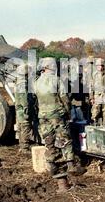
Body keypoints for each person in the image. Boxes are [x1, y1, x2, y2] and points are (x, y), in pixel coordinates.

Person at [34, 57, 86, 192]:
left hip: (43, 116)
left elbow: (35, 100)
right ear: (51, 67)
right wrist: (68, 114)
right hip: (56, 115)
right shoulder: (56, 80)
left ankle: (52, 166)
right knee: (65, 140)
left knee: (49, 142)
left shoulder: (36, 82)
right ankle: (71, 165)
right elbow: (65, 98)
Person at [14, 61, 36, 153]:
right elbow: (24, 101)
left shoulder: (18, 83)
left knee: (21, 128)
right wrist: (27, 112)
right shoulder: (23, 84)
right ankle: (24, 148)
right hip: (23, 110)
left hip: (19, 110)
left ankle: (22, 146)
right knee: (25, 127)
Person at [90, 58, 105, 127]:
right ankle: (95, 122)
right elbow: (91, 87)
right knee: (95, 111)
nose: (100, 67)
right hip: (97, 96)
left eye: (101, 65)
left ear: (103, 66)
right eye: (98, 65)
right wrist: (91, 98)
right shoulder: (94, 75)